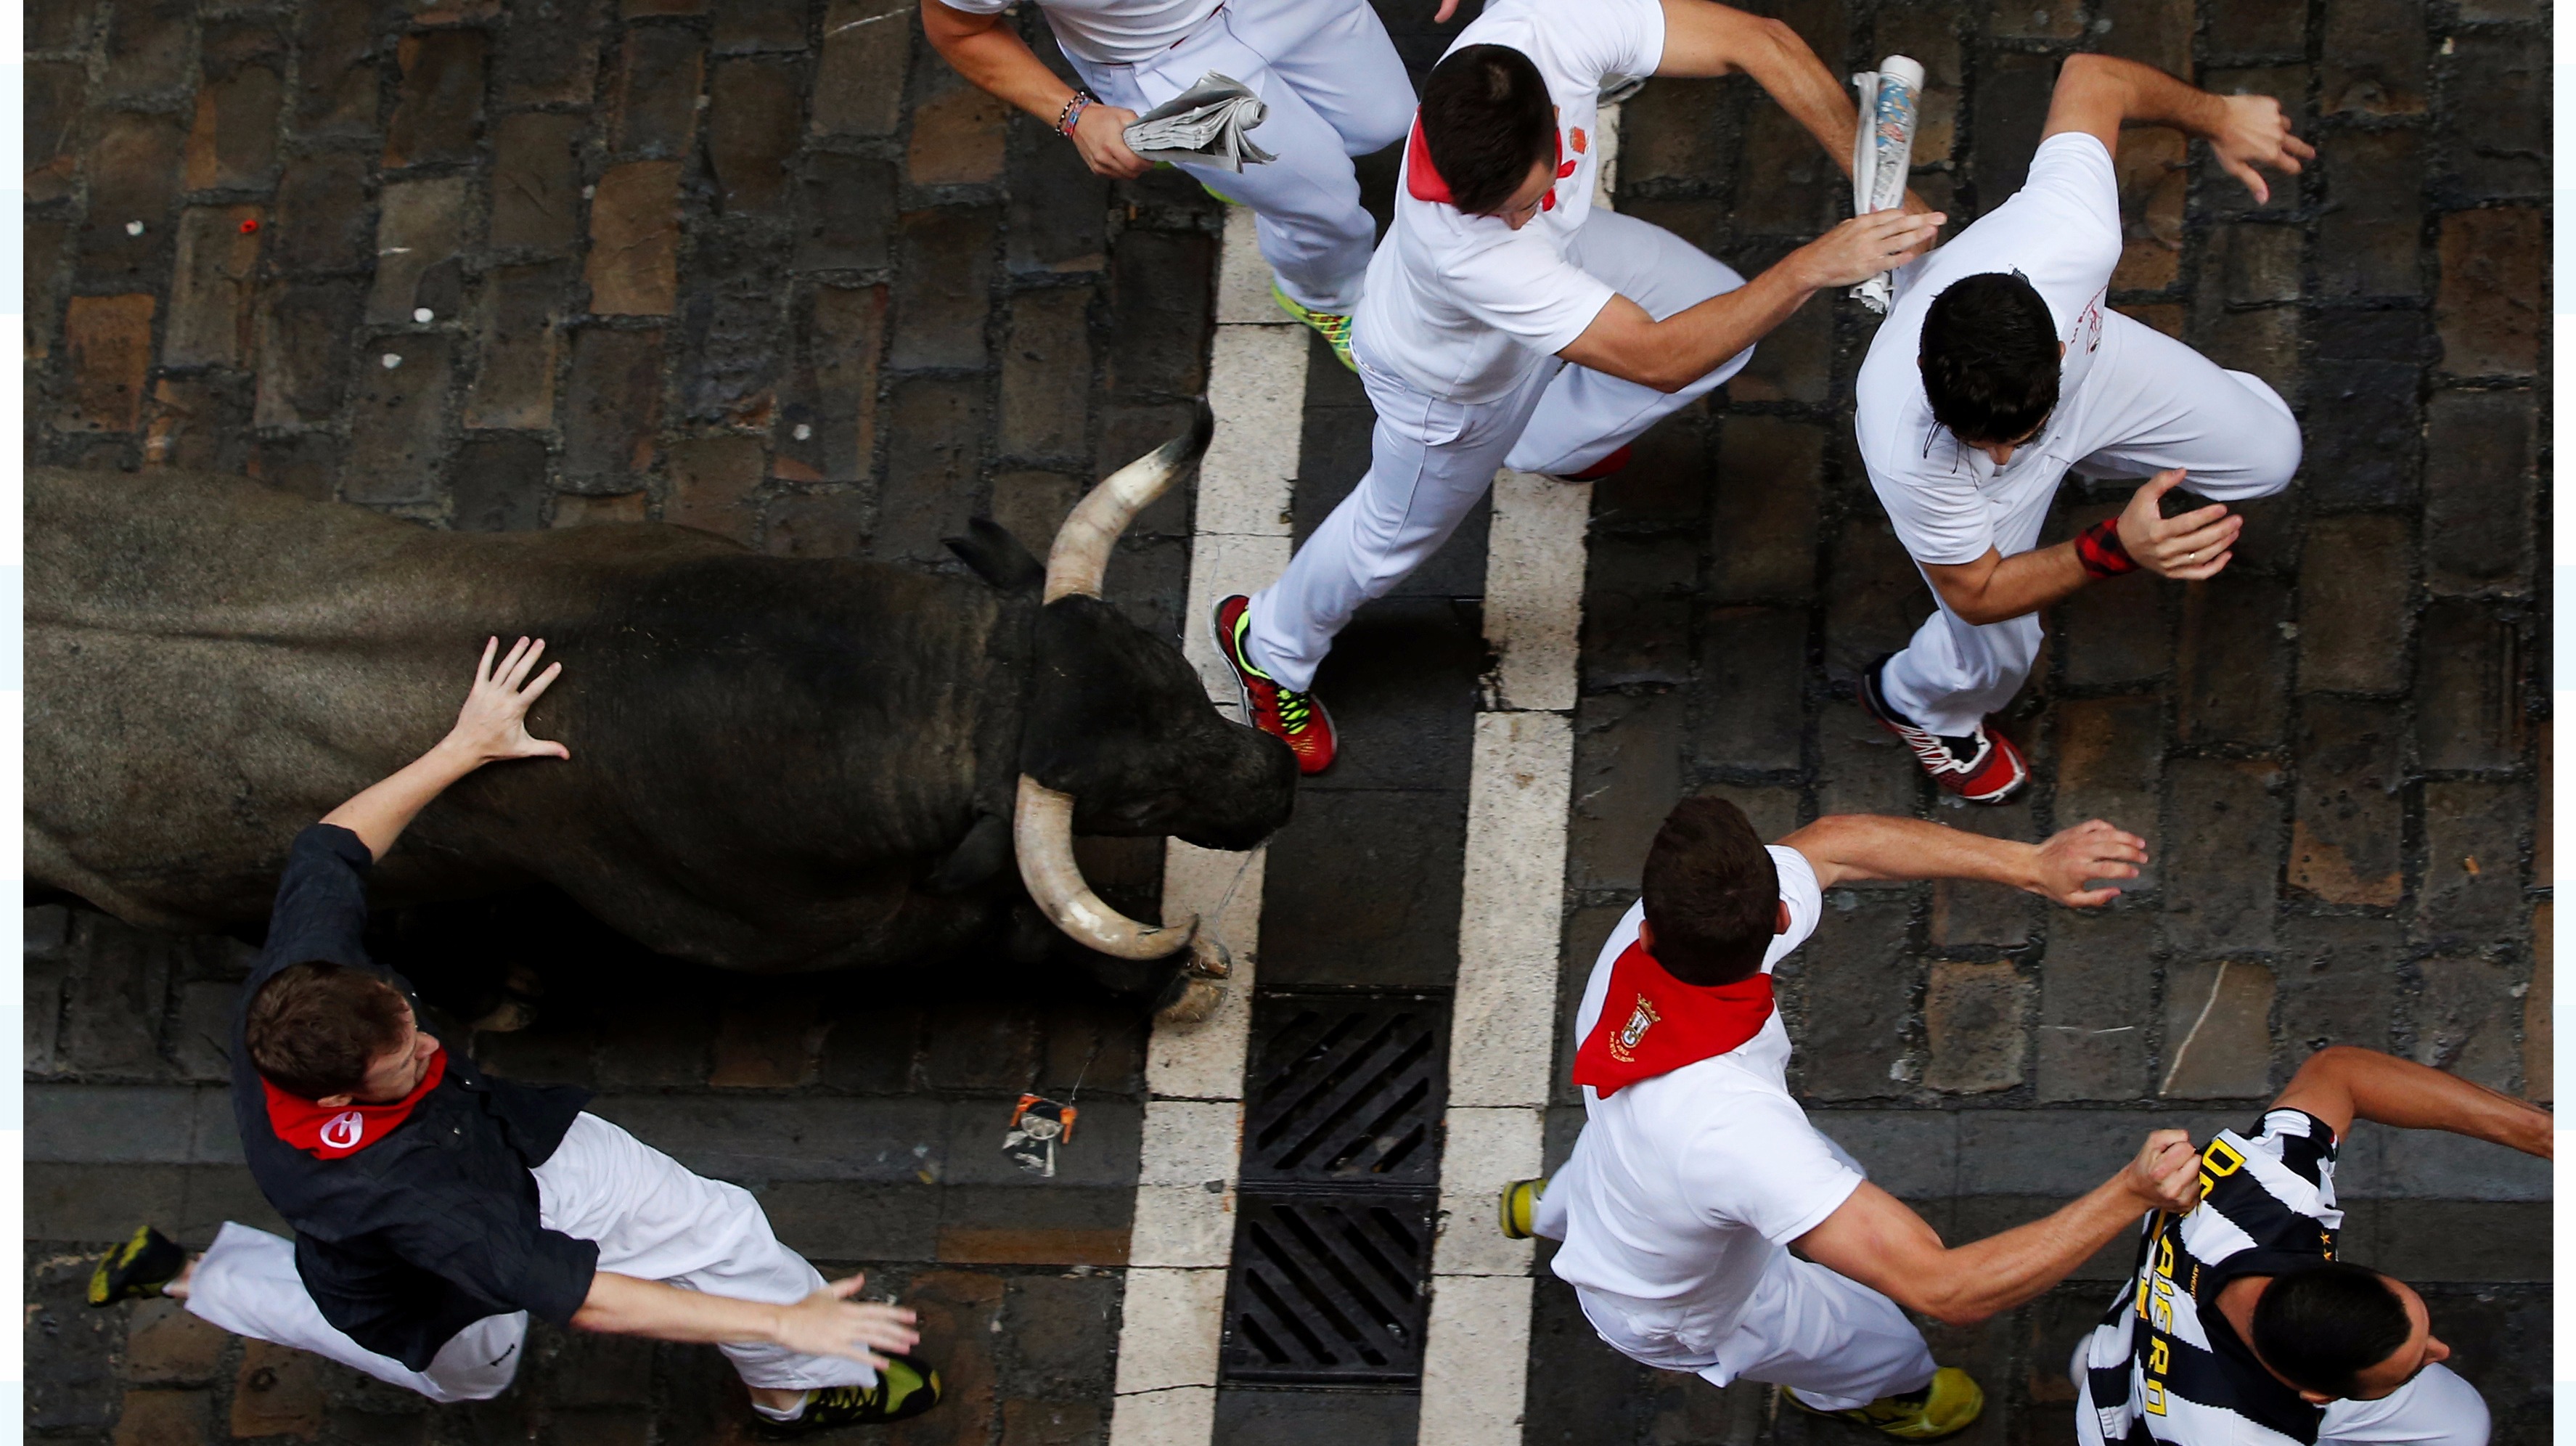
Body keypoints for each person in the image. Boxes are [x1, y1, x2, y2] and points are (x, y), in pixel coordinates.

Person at [86, 638, 941, 1433]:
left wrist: (465, 746)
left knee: (722, 1227)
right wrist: (783, 1320)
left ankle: (791, 1392)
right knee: (469, 1372)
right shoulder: (409, 1199)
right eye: (406, 1059)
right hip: (444, 1281)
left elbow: (329, 849)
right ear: (341, 1095)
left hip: (512, 1144)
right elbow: (590, 1301)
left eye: (410, 1021)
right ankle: (192, 1277)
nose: (432, 1047)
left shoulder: (305, 983)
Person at [1212, 0, 1944, 774]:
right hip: (1450, 390)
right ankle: (1269, 645)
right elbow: (1659, 359)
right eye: (1503, 211)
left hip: (1562, 265)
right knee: (1390, 539)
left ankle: (1546, 442)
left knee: (1716, 315)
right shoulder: (1473, 250)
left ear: (1548, 123)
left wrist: (1879, 186)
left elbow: (1762, 42)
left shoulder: (1547, 27)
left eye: (1526, 199)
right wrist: (1810, 268)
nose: (1516, 220)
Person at [1501, 796, 2194, 1439]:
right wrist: (2130, 1193)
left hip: (1631, 1156)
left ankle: (1554, 1208)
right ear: (1781, 920)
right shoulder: (1739, 1138)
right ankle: (1876, 1396)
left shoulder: (1642, 942)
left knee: (1633, 1166)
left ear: (1650, 931)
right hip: (1674, 1306)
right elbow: (1946, 1288)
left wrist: (2033, 865)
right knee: (1869, 1339)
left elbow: (1835, 843)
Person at [1850, 53, 2313, 803]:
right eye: (1984, 440)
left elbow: (2095, 77)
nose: (2003, 456)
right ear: (1926, 367)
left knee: (2269, 455)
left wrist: (2220, 115)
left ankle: (2094, 449)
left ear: (2056, 352)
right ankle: (1914, 700)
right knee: (1996, 654)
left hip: (2101, 378)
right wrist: (2114, 548)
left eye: (2018, 436)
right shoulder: (1902, 443)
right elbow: (1976, 590)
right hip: (1967, 489)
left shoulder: (2073, 233)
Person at [2073, 1045, 2550, 1446]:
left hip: (2144, 1331)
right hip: (2137, 1423)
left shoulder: (2265, 1192)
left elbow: (2340, 1073)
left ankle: (2103, 1361)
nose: (2441, 1350)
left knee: (2460, 1421)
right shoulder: (2237, 1435)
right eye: (2409, 1368)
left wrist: (2550, 1137)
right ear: (2318, 1396)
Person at [920, 0, 1413, 369]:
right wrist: (1076, 116)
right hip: (1168, 63)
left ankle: (1220, 167)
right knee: (1322, 205)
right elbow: (957, 31)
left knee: (1385, 122)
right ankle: (1323, 295)